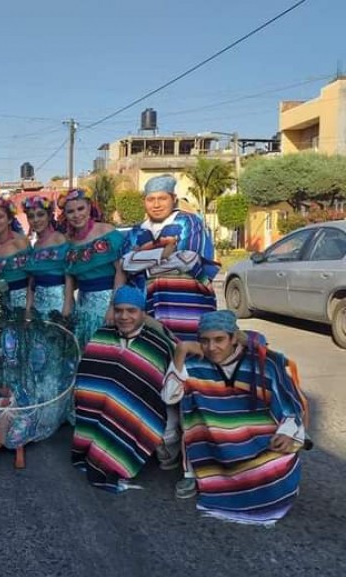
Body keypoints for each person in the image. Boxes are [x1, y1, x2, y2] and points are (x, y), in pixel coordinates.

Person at [162, 310, 308, 525]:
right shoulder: (193, 365)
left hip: (257, 441)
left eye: (219, 339)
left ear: (233, 338)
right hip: (212, 447)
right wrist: (181, 351)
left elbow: (290, 406)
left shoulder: (263, 363)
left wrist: (287, 433)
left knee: (276, 471)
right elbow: (168, 396)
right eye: (205, 341)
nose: (212, 347)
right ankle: (193, 475)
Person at [71, 286, 178, 492]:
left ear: (142, 313)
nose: (124, 316)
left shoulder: (157, 344)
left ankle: (130, 452)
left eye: (131, 311)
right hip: (101, 411)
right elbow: (87, 382)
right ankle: (97, 447)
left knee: (167, 439)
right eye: (119, 310)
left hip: (143, 410)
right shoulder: (101, 336)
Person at [122, 175, 218, 341]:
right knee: (153, 357)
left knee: (189, 356)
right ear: (144, 202)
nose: (156, 204)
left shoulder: (189, 222)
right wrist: (165, 254)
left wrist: (141, 262)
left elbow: (188, 259)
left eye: (162, 198)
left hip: (188, 305)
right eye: (151, 199)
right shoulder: (136, 231)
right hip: (147, 309)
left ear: (173, 199)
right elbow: (125, 263)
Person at [62, 189, 126, 351]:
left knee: (106, 350)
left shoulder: (107, 232)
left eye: (80, 209)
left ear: (89, 208)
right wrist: (68, 302)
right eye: (70, 211)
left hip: (107, 303)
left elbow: (121, 271)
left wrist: (113, 306)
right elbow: (69, 273)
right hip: (82, 306)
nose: (76, 215)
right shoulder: (69, 240)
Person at [23, 195, 71, 321]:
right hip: (39, 306)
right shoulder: (36, 244)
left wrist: (66, 306)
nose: (35, 220)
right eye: (31, 216)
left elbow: (69, 275)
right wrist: (28, 308)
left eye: (40, 215)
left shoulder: (59, 239)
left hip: (59, 304)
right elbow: (32, 281)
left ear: (49, 216)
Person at [0, 197, 30, 313]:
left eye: (0, 217)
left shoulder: (21, 242)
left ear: (9, 220)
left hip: (21, 301)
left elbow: (32, 277)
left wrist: (29, 307)